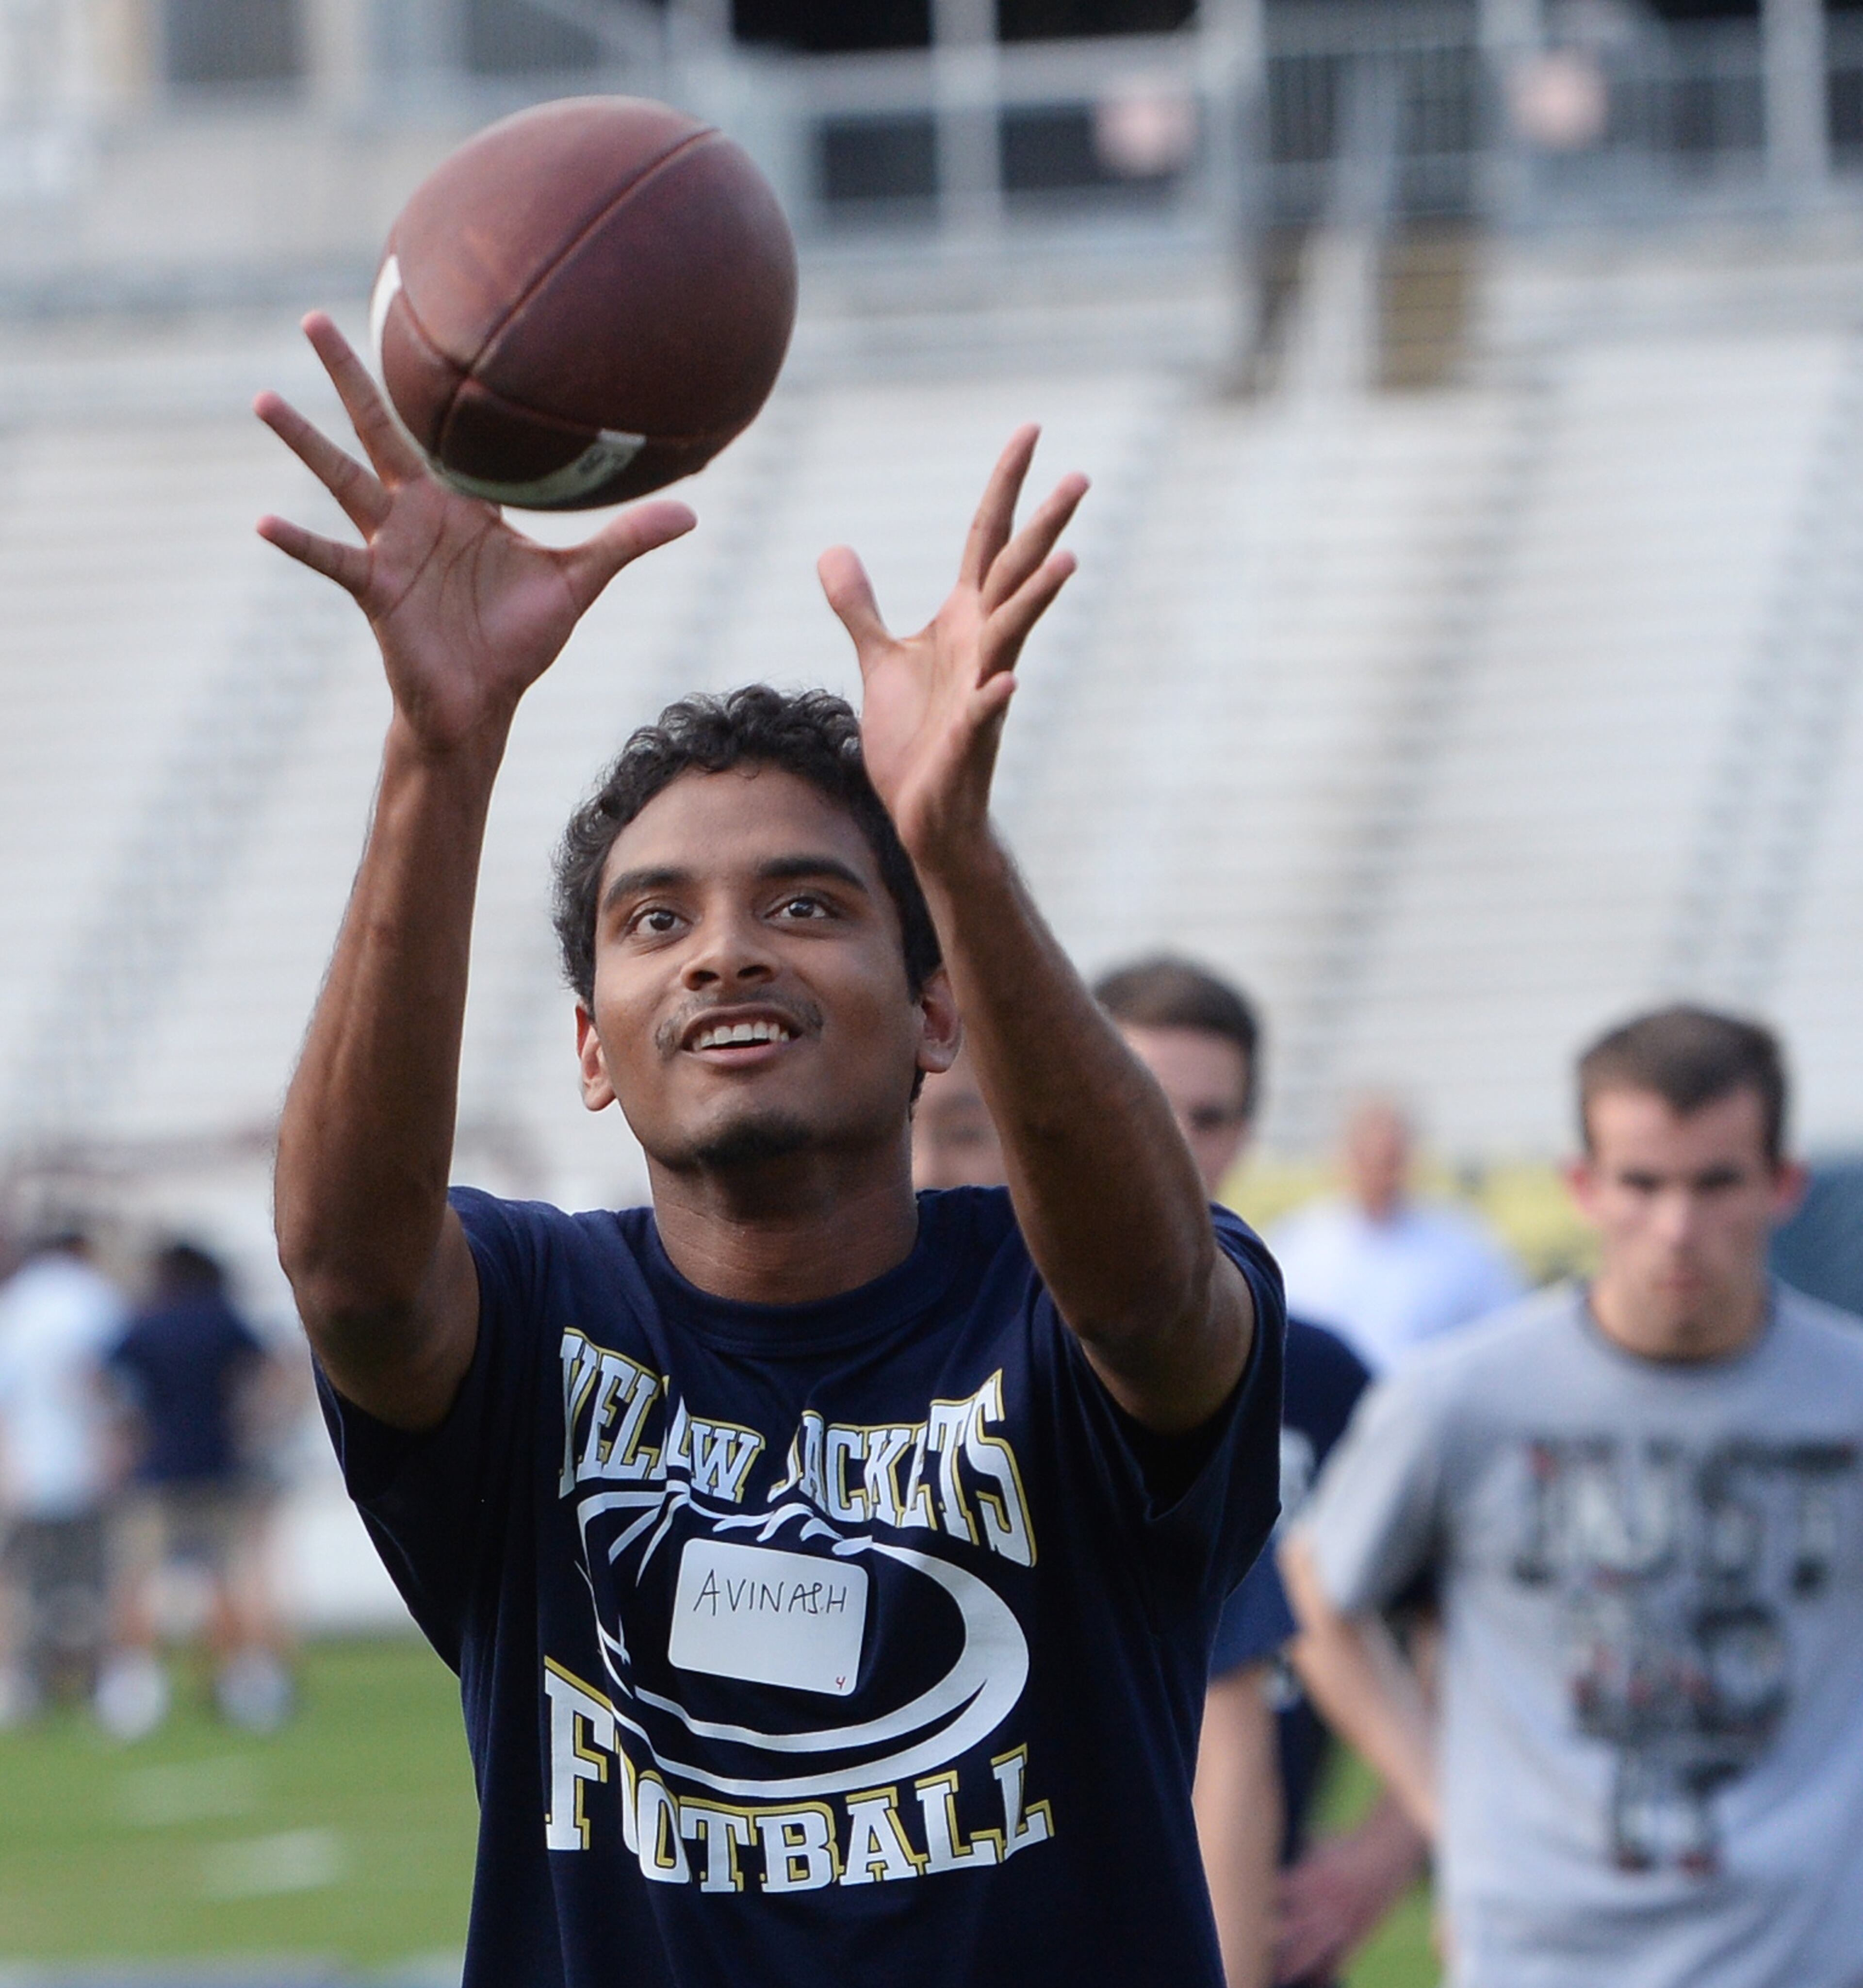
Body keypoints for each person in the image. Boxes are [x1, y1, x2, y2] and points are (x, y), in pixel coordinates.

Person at [257, 314, 1285, 1988]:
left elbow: (1162, 1302)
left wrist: (949, 837)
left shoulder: (1053, 1302)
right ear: (593, 1046)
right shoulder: (534, 1308)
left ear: (931, 1013)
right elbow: (352, 1272)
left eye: (807, 903)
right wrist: (439, 747)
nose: (726, 951)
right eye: (655, 922)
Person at [1283, 1005, 1863, 1987]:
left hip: (1805, 1948)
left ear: (1785, 1185)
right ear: (1585, 1187)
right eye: (1643, 1183)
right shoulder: (1462, 1395)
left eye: (1716, 1182)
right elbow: (1313, 1595)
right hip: (1542, 1953)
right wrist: (1441, 1813)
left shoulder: (1848, 1391)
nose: (1678, 1227)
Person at [1089, 959, 1426, 1988]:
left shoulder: (1321, 1376)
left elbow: (1466, 1623)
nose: (1176, 1145)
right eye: (1142, 1103)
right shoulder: (977, 1355)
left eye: (1210, 1114)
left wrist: (1393, 1842)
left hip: (1260, 1925)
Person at [98, 1242, 291, 1740]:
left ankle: (133, 1689)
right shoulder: (222, 1318)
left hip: (157, 1470)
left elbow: (102, 1375)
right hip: (218, 1466)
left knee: (136, 1580)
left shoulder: (148, 1321)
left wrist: (125, 1433)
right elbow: (271, 1368)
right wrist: (253, 1422)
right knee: (225, 1577)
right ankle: (244, 1682)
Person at [1269, 1094, 1522, 1373]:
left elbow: (1508, 1334)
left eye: (1390, 1158)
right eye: (1366, 1156)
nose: (1378, 1172)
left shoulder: (1464, 1244)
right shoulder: (1296, 1245)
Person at [0, 1229, 127, 1722]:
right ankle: (105, 1681)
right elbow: (110, 1383)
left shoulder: (17, 1304)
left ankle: (20, 1682)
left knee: (23, 1584)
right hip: (88, 1467)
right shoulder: (95, 1298)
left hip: (28, 1470)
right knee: (100, 1581)